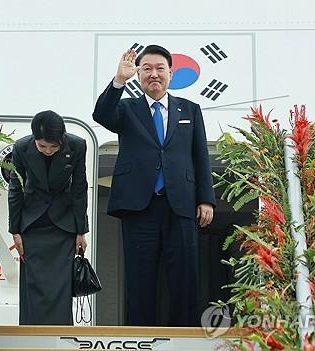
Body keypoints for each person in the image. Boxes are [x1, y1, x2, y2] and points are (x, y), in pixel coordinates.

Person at [93, 45, 216, 326]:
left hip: (181, 206)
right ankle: (139, 339)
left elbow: (200, 156)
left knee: (185, 278)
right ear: (139, 74)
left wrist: (205, 199)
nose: (153, 74)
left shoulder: (190, 110)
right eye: (146, 68)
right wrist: (118, 82)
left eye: (160, 68)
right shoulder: (126, 108)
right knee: (140, 280)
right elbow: (101, 115)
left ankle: (184, 341)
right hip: (139, 206)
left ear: (171, 73)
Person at [8, 110, 88, 325]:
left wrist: (81, 230)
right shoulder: (21, 147)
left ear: (62, 138)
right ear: (34, 139)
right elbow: (15, 188)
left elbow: (80, 188)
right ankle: (30, 341)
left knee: (61, 289)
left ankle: (61, 341)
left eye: (54, 146)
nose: (48, 151)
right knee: (32, 288)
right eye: (42, 146)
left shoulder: (78, 145)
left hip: (64, 225)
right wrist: (15, 230)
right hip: (32, 225)